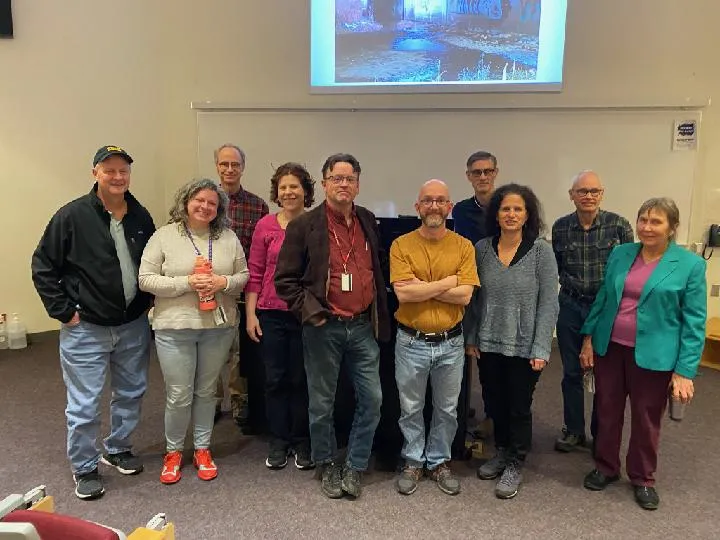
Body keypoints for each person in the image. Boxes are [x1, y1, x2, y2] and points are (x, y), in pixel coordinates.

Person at [31, 145, 155, 500]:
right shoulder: (71, 216)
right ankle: (84, 467)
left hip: (132, 323)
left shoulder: (139, 215)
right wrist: (63, 311)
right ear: (95, 173)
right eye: (109, 170)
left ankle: (117, 447)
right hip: (85, 327)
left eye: (123, 171)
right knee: (84, 403)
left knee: (130, 392)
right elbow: (43, 265)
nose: (117, 177)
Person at [275, 153, 390, 500]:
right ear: (324, 183)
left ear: (358, 184)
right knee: (321, 403)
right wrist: (314, 313)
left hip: (362, 326)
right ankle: (325, 463)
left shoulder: (368, 220)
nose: (344, 184)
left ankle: (354, 465)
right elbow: (285, 281)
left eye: (350, 178)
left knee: (372, 399)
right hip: (323, 327)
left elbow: (378, 268)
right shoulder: (304, 226)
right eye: (336, 178)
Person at [579, 197, 706, 511]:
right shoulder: (622, 254)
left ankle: (642, 478)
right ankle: (606, 466)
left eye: (656, 222)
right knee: (606, 411)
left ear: (672, 227)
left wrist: (685, 372)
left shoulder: (690, 265)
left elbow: (694, 322)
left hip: (656, 356)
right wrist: (589, 339)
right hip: (611, 348)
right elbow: (604, 298)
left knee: (646, 419)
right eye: (643, 220)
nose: (647, 228)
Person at [139, 178, 249, 485]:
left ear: (219, 208)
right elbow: (145, 279)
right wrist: (186, 283)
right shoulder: (164, 236)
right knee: (178, 394)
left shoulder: (227, 237)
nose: (205, 207)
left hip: (218, 327)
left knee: (205, 392)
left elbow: (243, 275)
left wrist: (222, 283)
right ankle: (173, 452)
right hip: (174, 328)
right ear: (186, 201)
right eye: (199, 200)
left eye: (212, 203)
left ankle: (202, 448)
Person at [464, 183, 559, 500]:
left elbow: (548, 302)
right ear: (496, 214)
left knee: (519, 406)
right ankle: (502, 452)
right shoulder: (481, 248)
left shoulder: (541, 251)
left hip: (525, 346)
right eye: (505, 208)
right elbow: (475, 299)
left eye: (518, 208)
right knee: (494, 403)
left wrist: (542, 346)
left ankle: (516, 462)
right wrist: (472, 335)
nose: (511, 214)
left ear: (527, 214)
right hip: (489, 343)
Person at [390, 180, 478, 496]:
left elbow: (465, 297)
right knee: (411, 408)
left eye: (440, 200)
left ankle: (439, 462)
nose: (434, 206)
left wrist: (424, 287)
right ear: (418, 207)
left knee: (446, 409)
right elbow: (403, 293)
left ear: (449, 206)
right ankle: (414, 461)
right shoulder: (401, 245)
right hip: (410, 342)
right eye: (427, 200)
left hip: (451, 343)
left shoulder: (464, 246)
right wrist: (450, 281)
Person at [552, 170, 634, 452]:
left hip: (606, 310)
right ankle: (574, 430)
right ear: (571, 195)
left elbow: (627, 271)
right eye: (582, 191)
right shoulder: (560, 227)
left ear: (602, 194)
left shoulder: (619, 226)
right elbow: (558, 266)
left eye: (593, 191)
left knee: (605, 374)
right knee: (571, 373)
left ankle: (602, 433)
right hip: (571, 306)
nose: (588, 196)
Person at [245, 163, 315, 470]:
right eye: (283, 187)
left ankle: (301, 441)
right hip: (270, 313)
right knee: (274, 379)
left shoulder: (315, 224)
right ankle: (278, 440)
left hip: (304, 314)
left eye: (295, 186)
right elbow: (255, 273)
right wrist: (251, 314)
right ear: (277, 191)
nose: (288, 192)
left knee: (301, 379)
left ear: (306, 192)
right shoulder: (265, 226)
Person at [215, 143, 269, 428]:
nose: (229, 169)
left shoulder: (257, 205)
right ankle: (211, 401)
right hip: (210, 288)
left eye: (235, 164)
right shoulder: (205, 200)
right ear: (217, 167)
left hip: (243, 288)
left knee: (240, 351)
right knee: (212, 348)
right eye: (224, 164)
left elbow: (263, 249)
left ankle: (239, 400)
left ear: (242, 168)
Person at [452, 150, 499, 436]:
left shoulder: (507, 205)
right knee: (462, 350)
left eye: (487, 171)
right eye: (476, 172)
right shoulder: (459, 210)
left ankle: (493, 415)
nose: (482, 176)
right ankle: (460, 406)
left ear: (495, 173)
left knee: (489, 355)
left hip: (498, 288)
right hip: (467, 287)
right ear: (468, 176)